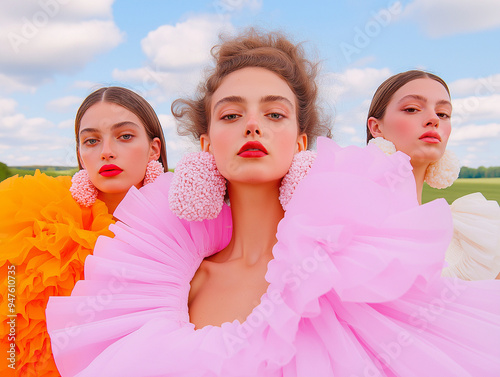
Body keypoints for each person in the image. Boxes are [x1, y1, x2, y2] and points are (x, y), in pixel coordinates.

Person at [46, 30, 500, 376]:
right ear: (206, 142)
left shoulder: (352, 274)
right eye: (231, 114)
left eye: (274, 113)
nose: (252, 126)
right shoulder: (166, 284)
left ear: (301, 139)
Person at [0, 86, 167, 376]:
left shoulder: (188, 228)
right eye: (91, 141)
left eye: (125, 136)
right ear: (80, 153)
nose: (106, 152)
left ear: (154, 149)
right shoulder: (38, 222)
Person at [366, 70, 500, 280]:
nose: (433, 119)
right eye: (412, 109)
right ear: (376, 127)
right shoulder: (355, 222)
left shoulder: (473, 233)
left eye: (443, 114)